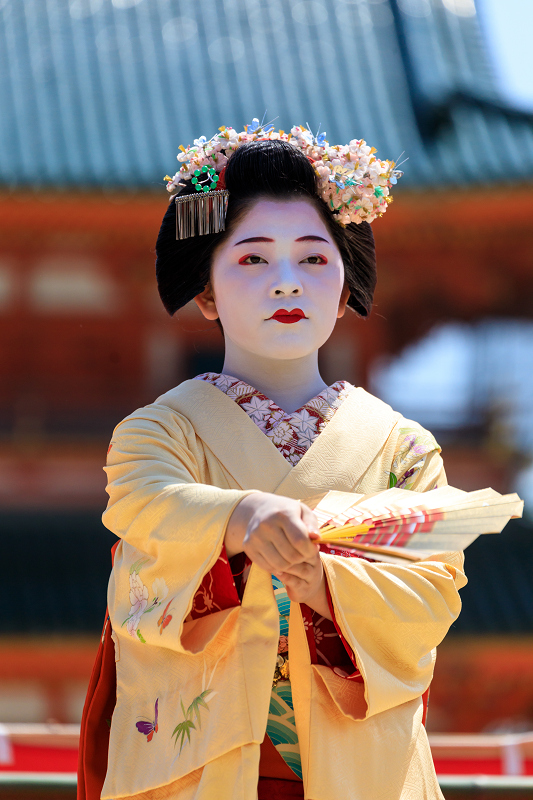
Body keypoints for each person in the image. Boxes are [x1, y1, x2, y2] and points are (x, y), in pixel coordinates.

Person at [78, 123, 466, 800]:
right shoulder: (158, 431)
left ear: (345, 288)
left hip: (356, 774)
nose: (286, 283)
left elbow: (431, 590)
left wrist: (322, 582)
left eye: (313, 259)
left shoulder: (404, 447)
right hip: (198, 770)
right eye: (253, 260)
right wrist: (240, 516)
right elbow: (143, 502)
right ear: (206, 293)